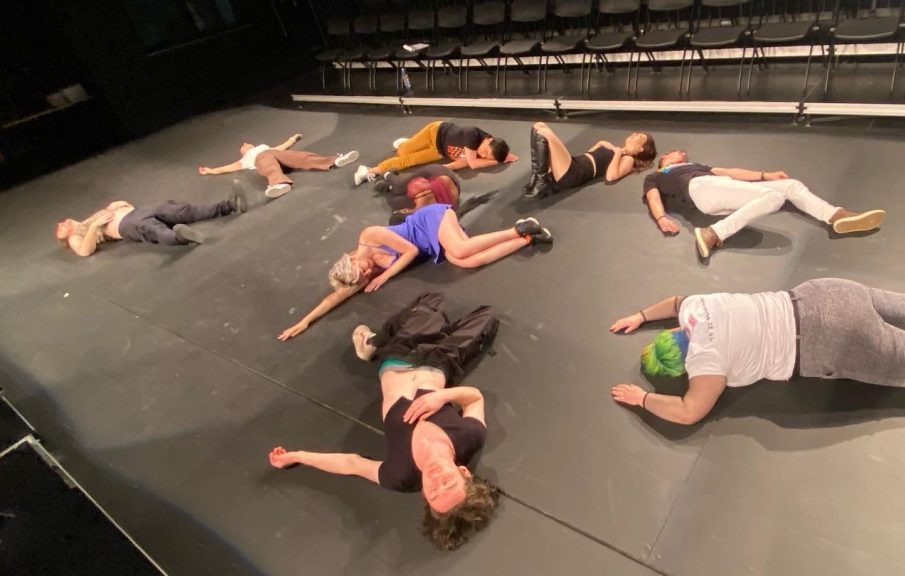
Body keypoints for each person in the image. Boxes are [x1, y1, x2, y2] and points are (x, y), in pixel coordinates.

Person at [607, 274, 905, 426]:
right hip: (824, 292)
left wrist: (643, 398)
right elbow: (676, 299)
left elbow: (687, 412)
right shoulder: (698, 308)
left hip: (833, 341)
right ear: (675, 334)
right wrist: (641, 316)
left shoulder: (705, 365)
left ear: (681, 364)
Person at [269, 292, 501, 551]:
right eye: (448, 483)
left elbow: (352, 464)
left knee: (431, 304)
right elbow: (474, 399)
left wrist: (298, 456)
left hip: (400, 359)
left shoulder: (399, 474)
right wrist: (442, 397)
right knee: (488, 316)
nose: (436, 481)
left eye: (433, 492)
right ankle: (425, 333)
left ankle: (373, 345)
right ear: (463, 472)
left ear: (424, 494)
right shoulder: (469, 438)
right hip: (442, 362)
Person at [277, 206, 552, 340]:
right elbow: (337, 296)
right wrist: (306, 320)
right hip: (431, 244)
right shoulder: (357, 274)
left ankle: (519, 227)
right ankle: (527, 240)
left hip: (429, 222)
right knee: (466, 261)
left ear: (351, 260)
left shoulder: (370, 236)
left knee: (462, 248)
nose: (368, 273)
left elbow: (408, 251)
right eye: (365, 278)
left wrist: (385, 276)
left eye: (364, 271)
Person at [644, 149, 887, 261]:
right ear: (664, 160)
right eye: (677, 153)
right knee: (774, 199)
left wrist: (764, 175)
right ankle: (714, 233)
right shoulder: (658, 174)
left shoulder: (697, 165)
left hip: (718, 190)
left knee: (790, 186)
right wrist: (662, 218)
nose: (682, 154)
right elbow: (654, 197)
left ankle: (836, 216)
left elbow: (730, 172)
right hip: (701, 189)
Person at [54, 188, 247, 257]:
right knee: (151, 230)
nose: (60, 225)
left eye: (60, 223)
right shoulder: (76, 238)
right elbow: (84, 251)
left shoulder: (87, 220)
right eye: (59, 230)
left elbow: (123, 204)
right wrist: (96, 226)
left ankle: (229, 205)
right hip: (126, 225)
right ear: (65, 239)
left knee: (181, 210)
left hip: (138, 211)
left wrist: (115, 206)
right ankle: (179, 237)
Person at [352, 120, 517, 186]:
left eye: (487, 156)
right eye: (486, 151)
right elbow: (473, 164)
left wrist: (443, 168)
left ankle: (368, 170)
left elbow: (463, 163)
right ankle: (407, 144)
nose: (483, 154)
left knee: (406, 161)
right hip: (435, 132)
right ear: (489, 140)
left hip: (438, 151)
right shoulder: (472, 134)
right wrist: (499, 161)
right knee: (403, 151)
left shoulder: (479, 153)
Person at [198, 133, 359, 198]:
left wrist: (293, 139)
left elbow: (283, 147)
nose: (245, 144)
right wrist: (210, 170)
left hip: (276, 156)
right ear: (243, 152)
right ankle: (279, 183)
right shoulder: (246, 159)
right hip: (265, 161)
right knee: (268, 166)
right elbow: (227, 168)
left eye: (247, 143)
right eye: (243, 146)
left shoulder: (264, 147)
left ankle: (334, 161)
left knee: (300, 157)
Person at [522, 122, 657, 199]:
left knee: (544, 132)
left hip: (574, 173)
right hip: (576, 162)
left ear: (641, 149)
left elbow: (611, 176)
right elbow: (589, 155)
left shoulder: (627, 159)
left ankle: (540, 181)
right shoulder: (616, 150)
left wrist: (617, 153)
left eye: (639, 137)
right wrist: (601, 144)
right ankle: (537, 178)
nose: (633, 135)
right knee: (538, 126)